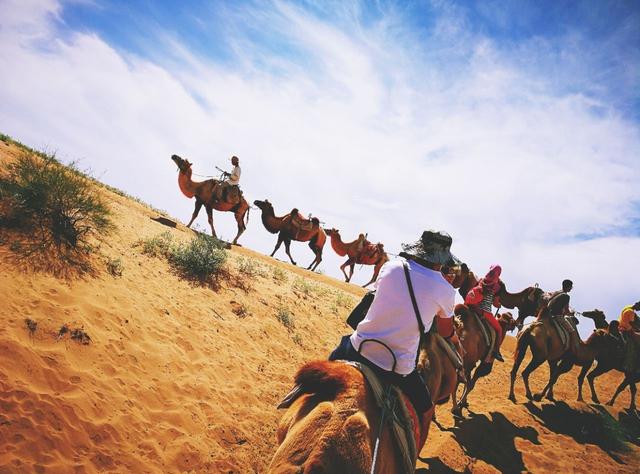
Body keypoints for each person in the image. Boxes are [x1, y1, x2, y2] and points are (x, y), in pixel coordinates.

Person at [329, 230, 463, 416]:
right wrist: (454, 339)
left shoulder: (390, 266)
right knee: (425, 409)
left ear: (418, 249)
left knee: (325, 369)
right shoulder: (446, 291)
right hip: (398, 367)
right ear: (441, 260)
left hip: (358, 348)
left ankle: (295, 395)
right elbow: (444, 330)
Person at [464, 265, 505, 363]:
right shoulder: (497, 285)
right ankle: (496, 351)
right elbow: (495, 304)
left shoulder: (482, 280)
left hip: (473, 307)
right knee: (499, 330)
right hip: (485, 312)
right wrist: (499, 305)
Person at [619, 301, 640, 373]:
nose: (639, 310)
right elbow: (631, 323)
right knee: (632, 345)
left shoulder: (627, 307)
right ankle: (628, 365)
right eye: (639, 308)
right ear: (637, 305)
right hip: (626, 329)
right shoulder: (631, 312)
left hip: (621, 327)